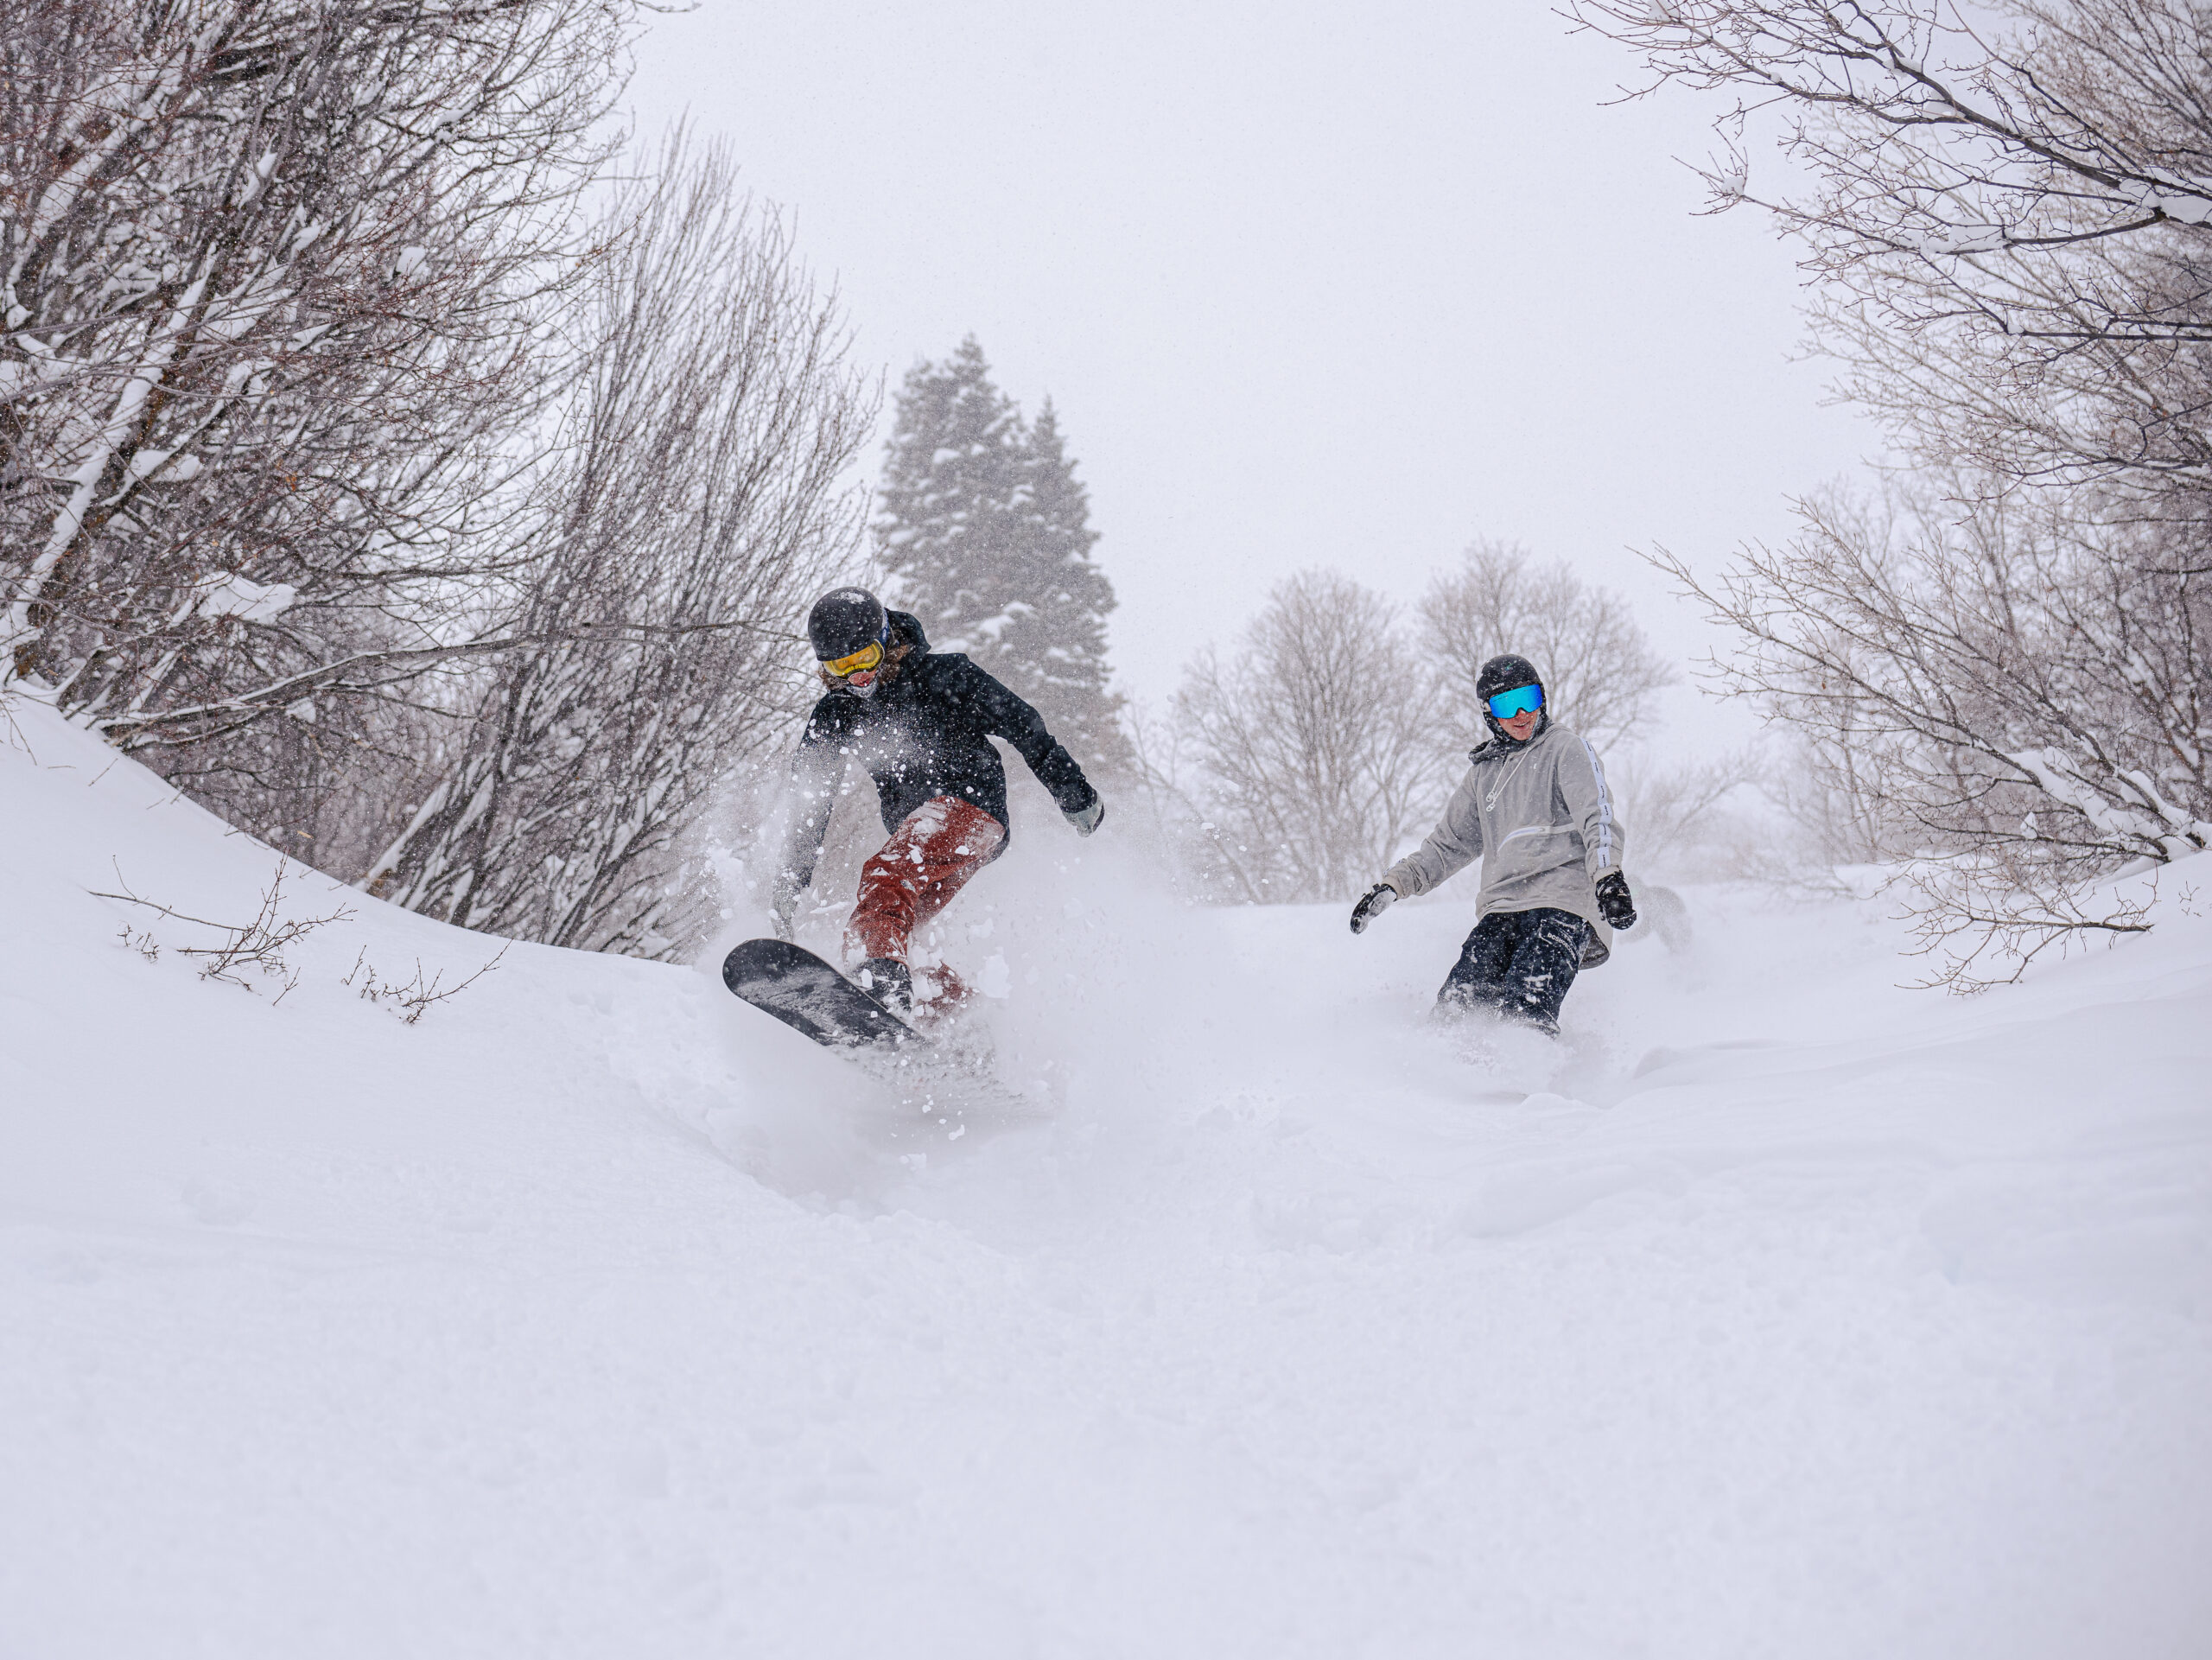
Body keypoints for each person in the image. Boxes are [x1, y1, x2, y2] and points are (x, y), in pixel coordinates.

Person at [770, 587, 1105, 1019]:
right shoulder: (836, 714)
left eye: (864, 658)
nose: (857, 677)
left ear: (887, 641)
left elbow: (1026, 727)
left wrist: (1073, 793)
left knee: (886, 877)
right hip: (922, 837)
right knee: (898, 927)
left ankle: (883, 993)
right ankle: (958, 1022)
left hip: (971, 809)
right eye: (841, 666)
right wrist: (789, 882)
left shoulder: (945, 677)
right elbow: (809, 802)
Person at [1347, 652, 1637, 1035]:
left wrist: (1608, 876)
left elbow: (1597, 816)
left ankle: (1528, 1075)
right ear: (1489, 714)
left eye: (1529, 699)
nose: (1520, 714)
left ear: (1542, 699)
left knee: (1525, 1005)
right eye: (1505, 704)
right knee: (1458, 1008)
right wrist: (1393, 885)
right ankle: (1444, 1082)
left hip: (1562, 902)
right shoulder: (1483, 774)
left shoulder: (1565, 749)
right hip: (1502, 908)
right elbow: (1446, 846)